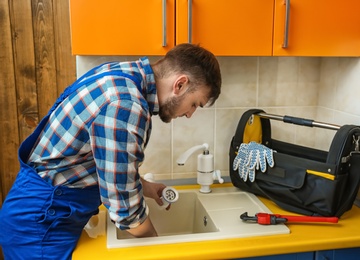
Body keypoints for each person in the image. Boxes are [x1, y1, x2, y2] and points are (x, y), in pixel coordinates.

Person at [0, 43, 222, 259]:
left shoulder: (120, 74)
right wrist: (158, 247)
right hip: (41, 224)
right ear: (180, 84)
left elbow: (102, 162)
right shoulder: (125, 105)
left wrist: (145, 187)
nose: (190, 114)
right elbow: (127, 212)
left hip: (39, 211)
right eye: (195, 104)